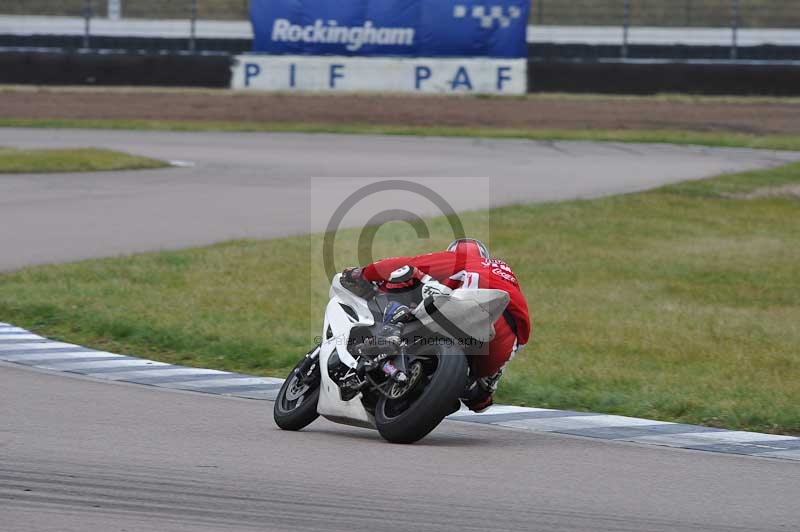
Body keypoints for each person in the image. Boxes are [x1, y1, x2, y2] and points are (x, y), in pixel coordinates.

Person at [340, 238, 531, 412]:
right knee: (479, 398)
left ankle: (391, 328)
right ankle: (467, 385)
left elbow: (402, 264)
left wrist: (363, 273)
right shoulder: (505, 273)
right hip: (506, 333)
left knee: (405, 273)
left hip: (459, 308)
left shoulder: (456, 259)